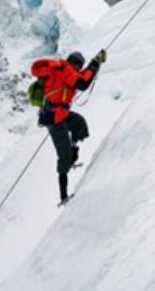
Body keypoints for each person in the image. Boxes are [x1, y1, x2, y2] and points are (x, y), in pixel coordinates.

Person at [30, 49, 107, 205]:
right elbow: (82, 83)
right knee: (63, 156)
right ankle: (63, 196)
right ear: (75, 64)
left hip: (61, 113)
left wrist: (94, 63)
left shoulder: (64, 69)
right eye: (79, 66)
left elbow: (79, 77)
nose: (78, 69)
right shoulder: (65, 70)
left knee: (79, 124)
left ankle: (71, 153)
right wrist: (95, 65)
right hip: (54, 118)